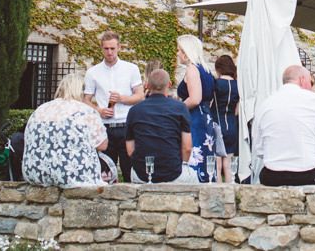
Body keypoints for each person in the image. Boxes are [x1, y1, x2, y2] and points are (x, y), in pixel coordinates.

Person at [253, 64, 315, 186]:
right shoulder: (313, 99)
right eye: (311, 82)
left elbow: (259, 148)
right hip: (307, 175)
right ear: (302, 79)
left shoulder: (265, 104)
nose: (312, 86)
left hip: (272, 176)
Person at [23, 73, 108, 187]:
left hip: (35, 172)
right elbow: (102, 145)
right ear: (81, 91)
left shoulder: (41, 109)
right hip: (73, 174)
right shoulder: (86, 111)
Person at [83, 31, 144, 182]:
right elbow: (85, 100)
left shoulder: (131, 69)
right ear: (101, 48)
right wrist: (99, 110)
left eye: (112, 48)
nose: (109, 52)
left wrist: (122, 98)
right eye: (106, 49)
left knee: (129, 169)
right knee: (105, 173)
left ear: (119, 48)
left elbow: (140, 96)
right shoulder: (92, 72)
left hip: (126, 125)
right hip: (104, 128)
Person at [125, 69, 199, 183]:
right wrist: (183, 164)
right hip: (174, 172)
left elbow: (130, 150)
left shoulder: (134, 111)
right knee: (194, 177)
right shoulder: (180, 108)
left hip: (142, 174)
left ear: (147, 85)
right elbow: (187, 148)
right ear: (169, 84)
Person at [176, 34, 217, 182]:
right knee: (207, 158)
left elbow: (195, 98)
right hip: (206, 116)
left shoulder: (192, 69)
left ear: (187, 52)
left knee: (196, 156)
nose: (178, 53)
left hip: (195, 119)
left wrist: (177, 107)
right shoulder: (206, 70)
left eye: (180, 50)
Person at [211, 54, 239, 183]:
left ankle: (219, 194)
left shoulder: (216, 83)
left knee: (217, 165)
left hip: (217, 124)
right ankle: (231, 194)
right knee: (228, 165)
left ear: (218, 68)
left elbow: (210, 103)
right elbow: (237, 110)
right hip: (232, 124)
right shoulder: (238, 85)